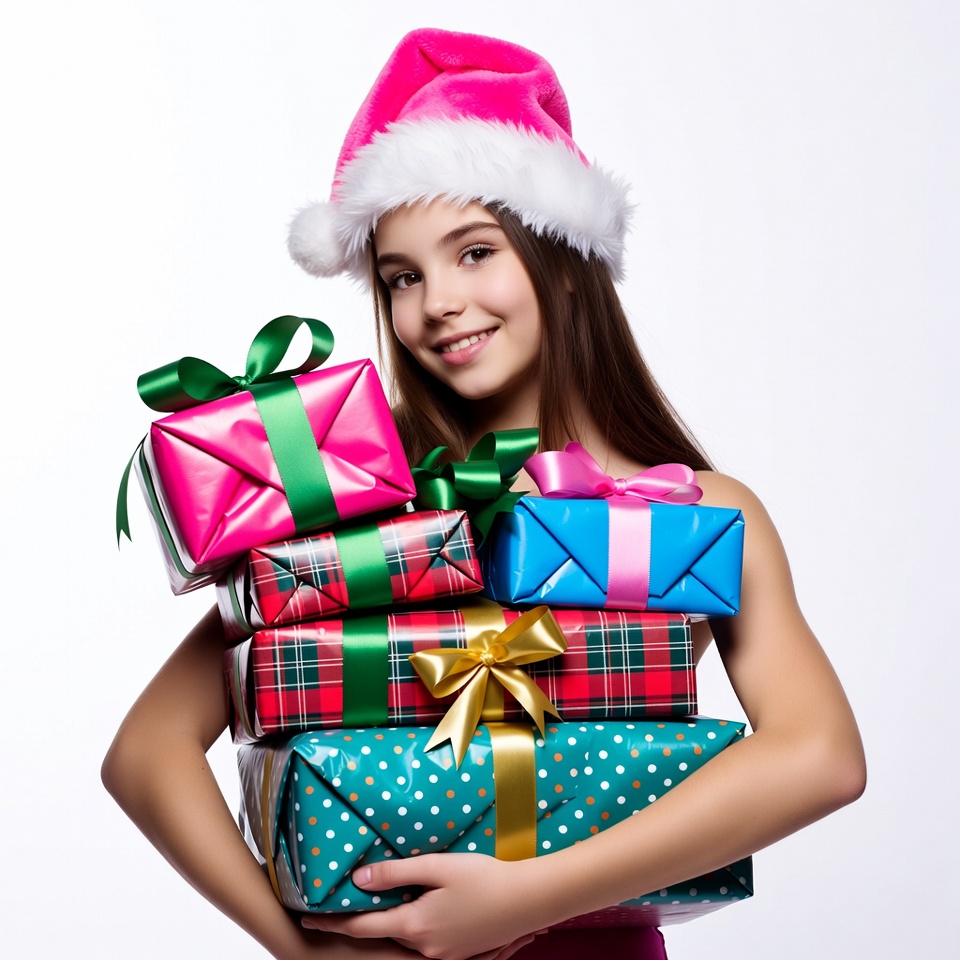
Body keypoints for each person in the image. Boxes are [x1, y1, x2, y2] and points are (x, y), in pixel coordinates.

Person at [102, 28, 866, 960]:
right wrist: (306, 955)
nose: (437, 304)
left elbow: (818, 756)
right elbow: (147, 754)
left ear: (559, 252)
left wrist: (525, 900)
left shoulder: (694, 511)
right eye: (402, 278)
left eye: (474, 253)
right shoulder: (376, 517)